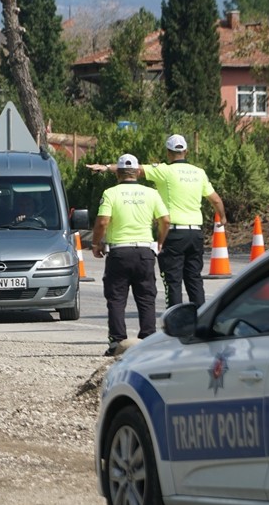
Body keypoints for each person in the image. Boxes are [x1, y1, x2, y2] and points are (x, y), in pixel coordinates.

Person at [88, 134, 226, 307]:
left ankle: (175, 318)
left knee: (173, 279)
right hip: (196, 233)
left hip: (174, 233)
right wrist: (223, 216)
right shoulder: (199, 173)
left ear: (168, 153)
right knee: (194, 278)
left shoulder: (164, 170)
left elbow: (133, 169)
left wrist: (106, 167)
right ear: (186, 151)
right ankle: (200, 316)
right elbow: (216, 200)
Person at [91, 154, 170, 357]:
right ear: (137, 172)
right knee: (146, 297)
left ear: (118, 173)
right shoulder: (151, 193)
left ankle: (117, 342)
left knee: (117, 298)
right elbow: (166, 220)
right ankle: (149, 339)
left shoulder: (111, 193)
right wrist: (160, 241)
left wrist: (95, 243)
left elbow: (102, 222)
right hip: (144, 251)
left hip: (119, 252)